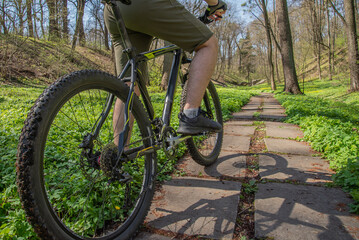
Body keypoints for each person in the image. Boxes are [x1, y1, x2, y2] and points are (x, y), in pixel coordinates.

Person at [104, 0, 227, 139]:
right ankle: (191, 115)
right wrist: (215, 5)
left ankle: (118, 154)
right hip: (142, 5)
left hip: (113, 9)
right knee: (209, 44)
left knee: (128, 87)